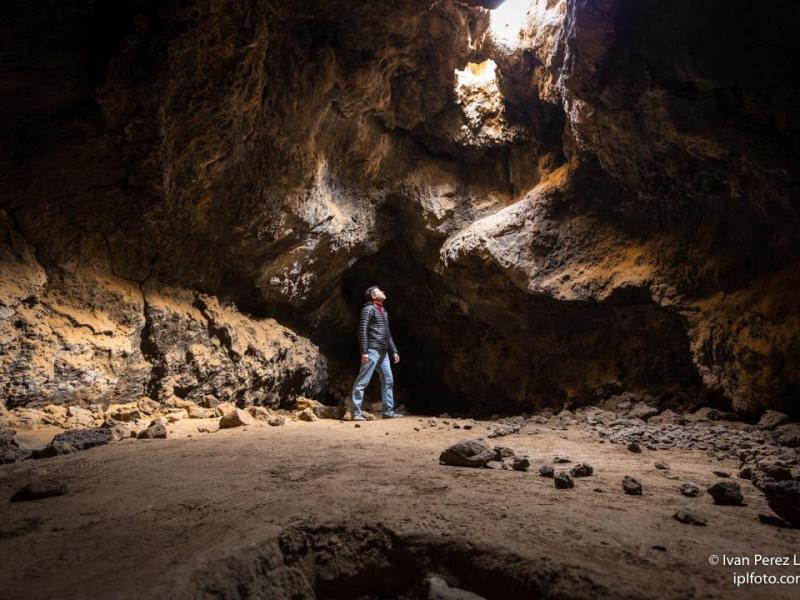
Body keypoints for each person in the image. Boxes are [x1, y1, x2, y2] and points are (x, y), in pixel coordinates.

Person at [350, 285, 403, 421]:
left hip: (383, 353)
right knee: (362, 381)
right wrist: (364, 351)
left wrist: (394, 351)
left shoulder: (383, 311)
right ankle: (356, 413)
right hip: (372, 350)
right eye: (379, 291)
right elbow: (362, 329)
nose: (383, 291)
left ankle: (388, 412)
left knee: (388, 381)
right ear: (373, 296)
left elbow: (387, 334)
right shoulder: (369, 309)